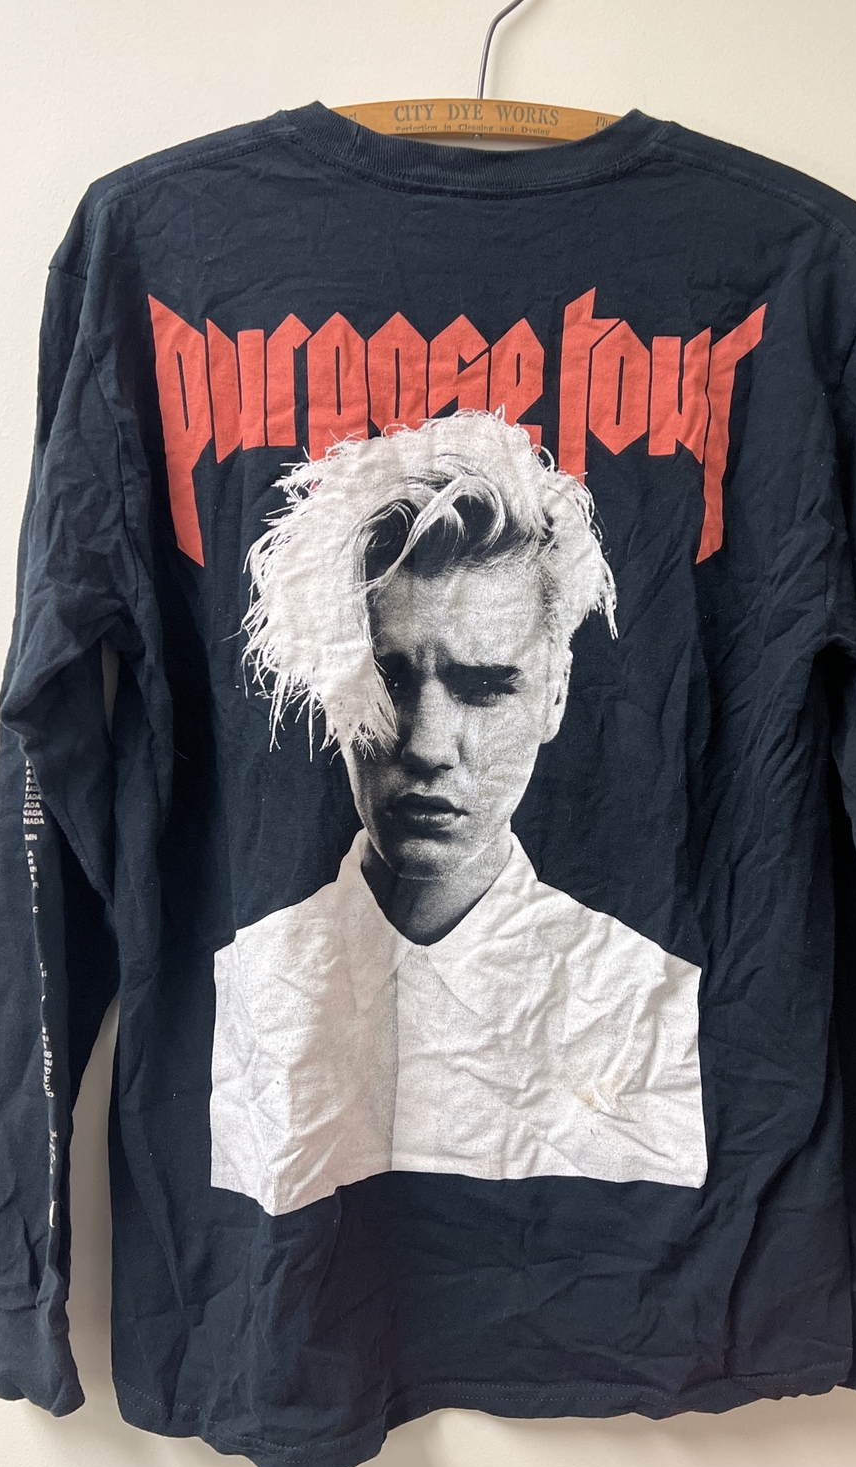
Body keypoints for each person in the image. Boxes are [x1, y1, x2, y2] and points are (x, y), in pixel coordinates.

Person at [210, 411, 707, 1216]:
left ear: (554, 695)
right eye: (389, 681)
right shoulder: (240, 984)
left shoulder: (644, 1002)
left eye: (483, 687)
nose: (428, 745)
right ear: (334, 686)